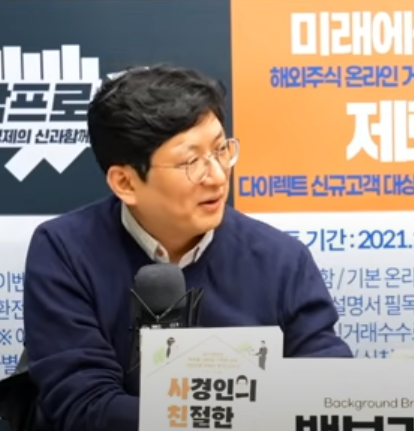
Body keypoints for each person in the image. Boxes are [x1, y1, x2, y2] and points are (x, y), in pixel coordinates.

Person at [23, 65, 352, 431]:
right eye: (190, 161)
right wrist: (225, 421)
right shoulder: (65, 251)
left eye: (221, 150)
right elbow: (83, 404)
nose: (217, 176)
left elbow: (326, 382)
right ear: (126, 182)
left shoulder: (280, 259)